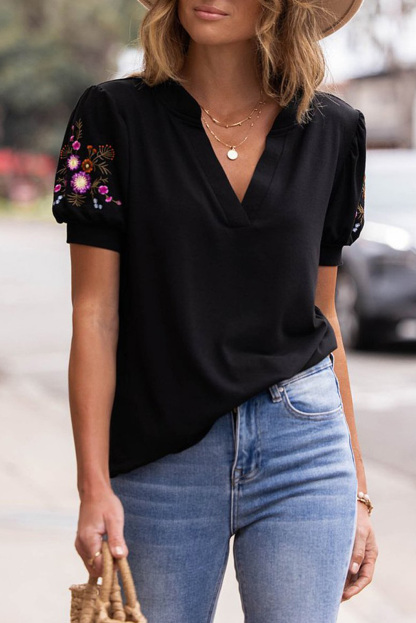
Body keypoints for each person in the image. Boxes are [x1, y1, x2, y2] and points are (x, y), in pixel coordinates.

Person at [52, 0, 379, 621]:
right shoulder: (112, 116)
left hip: (303, 447)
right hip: (160, 455)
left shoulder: (335, 130)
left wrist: (358, 492)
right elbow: (95, 315)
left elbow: (324, 316)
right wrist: (92, 485)